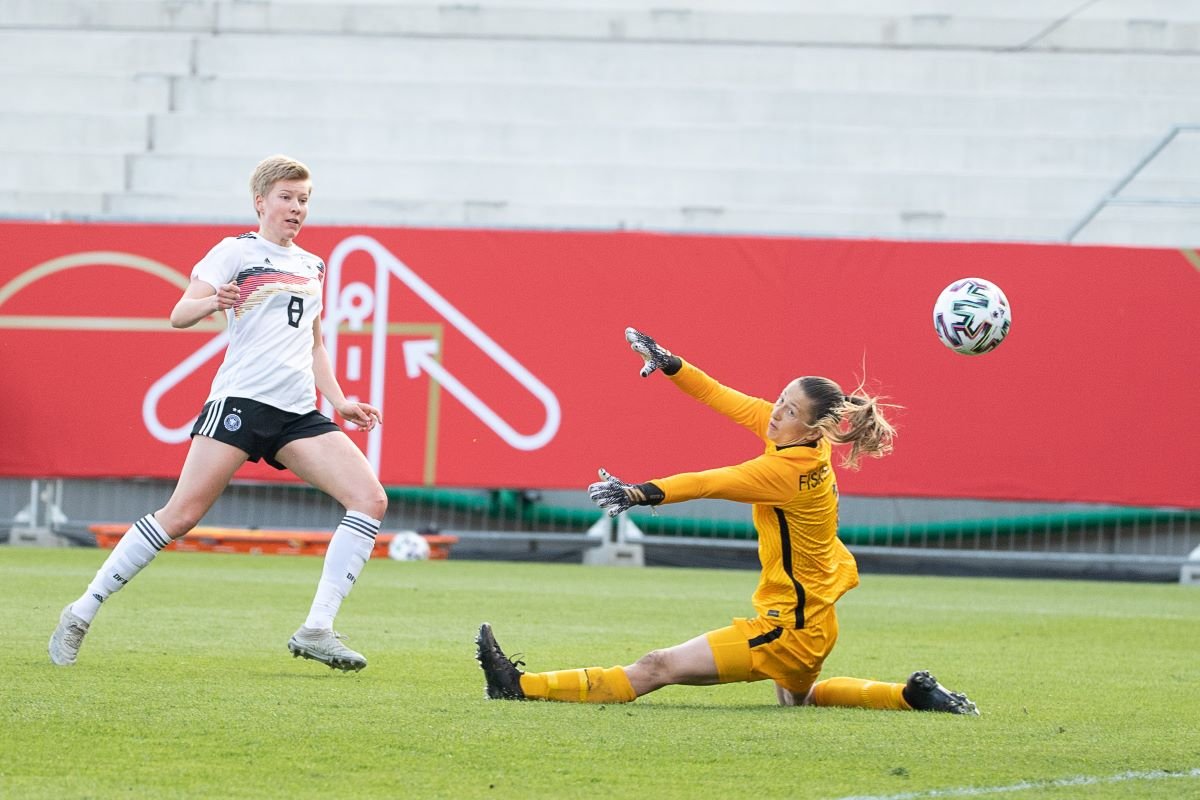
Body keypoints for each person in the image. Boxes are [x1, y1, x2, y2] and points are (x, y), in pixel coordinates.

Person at [476, 327, 979, 714]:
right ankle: (910, 696)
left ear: (814, 426)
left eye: (789, 410)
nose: (775, 413)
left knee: (656, 667)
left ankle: (517, 687)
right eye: (780, 400)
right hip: (816, 622)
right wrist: (673, 365)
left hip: (788, 628)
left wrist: (638, 492)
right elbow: (723, 396)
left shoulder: (784, 471)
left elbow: (709, 482)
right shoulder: (807, 442)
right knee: (796, 701)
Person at [48, 155, 387, 672]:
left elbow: (314, 343)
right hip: (241, 403)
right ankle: (81, 610)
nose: (297, 208)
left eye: (304, 199)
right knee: (180, 517)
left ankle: (317, 627)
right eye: (287, 198)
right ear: (261, 202)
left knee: (369, 498)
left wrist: (339, 401)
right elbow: (179, 314)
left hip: (296, 412)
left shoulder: (313, 265)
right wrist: (213, 303)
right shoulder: (235, 252)